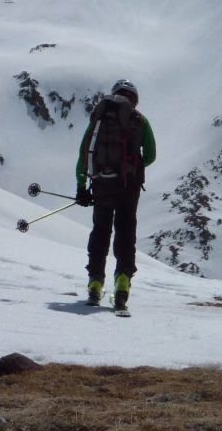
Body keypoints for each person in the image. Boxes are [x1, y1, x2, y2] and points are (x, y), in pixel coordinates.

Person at [75, 79, 156, 310]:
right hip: (128, 187)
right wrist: (134, 167)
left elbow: (84, 153)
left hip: (101, 184)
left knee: (100, 232)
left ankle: (95, 284)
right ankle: (122, 283)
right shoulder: (140, 120)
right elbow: (151, 154)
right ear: (134, 99)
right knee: (126, 233)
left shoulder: (99, 118)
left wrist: (82, 186)